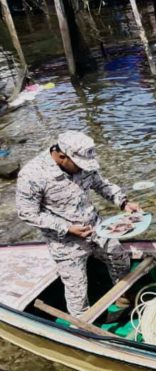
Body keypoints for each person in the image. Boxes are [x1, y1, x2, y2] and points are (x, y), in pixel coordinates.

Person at [16, 130, 141, 318]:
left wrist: (123, 202)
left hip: (96, 228)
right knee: (77, 291)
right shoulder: (32, 175)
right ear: (61, 156)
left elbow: (101, 184)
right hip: (65, 243)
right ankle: (83, 325)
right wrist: (66, 228)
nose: (83, 169)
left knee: (119, 257)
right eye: (79, 165)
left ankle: (122, 296)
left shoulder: (82, 165)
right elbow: (27, 212)